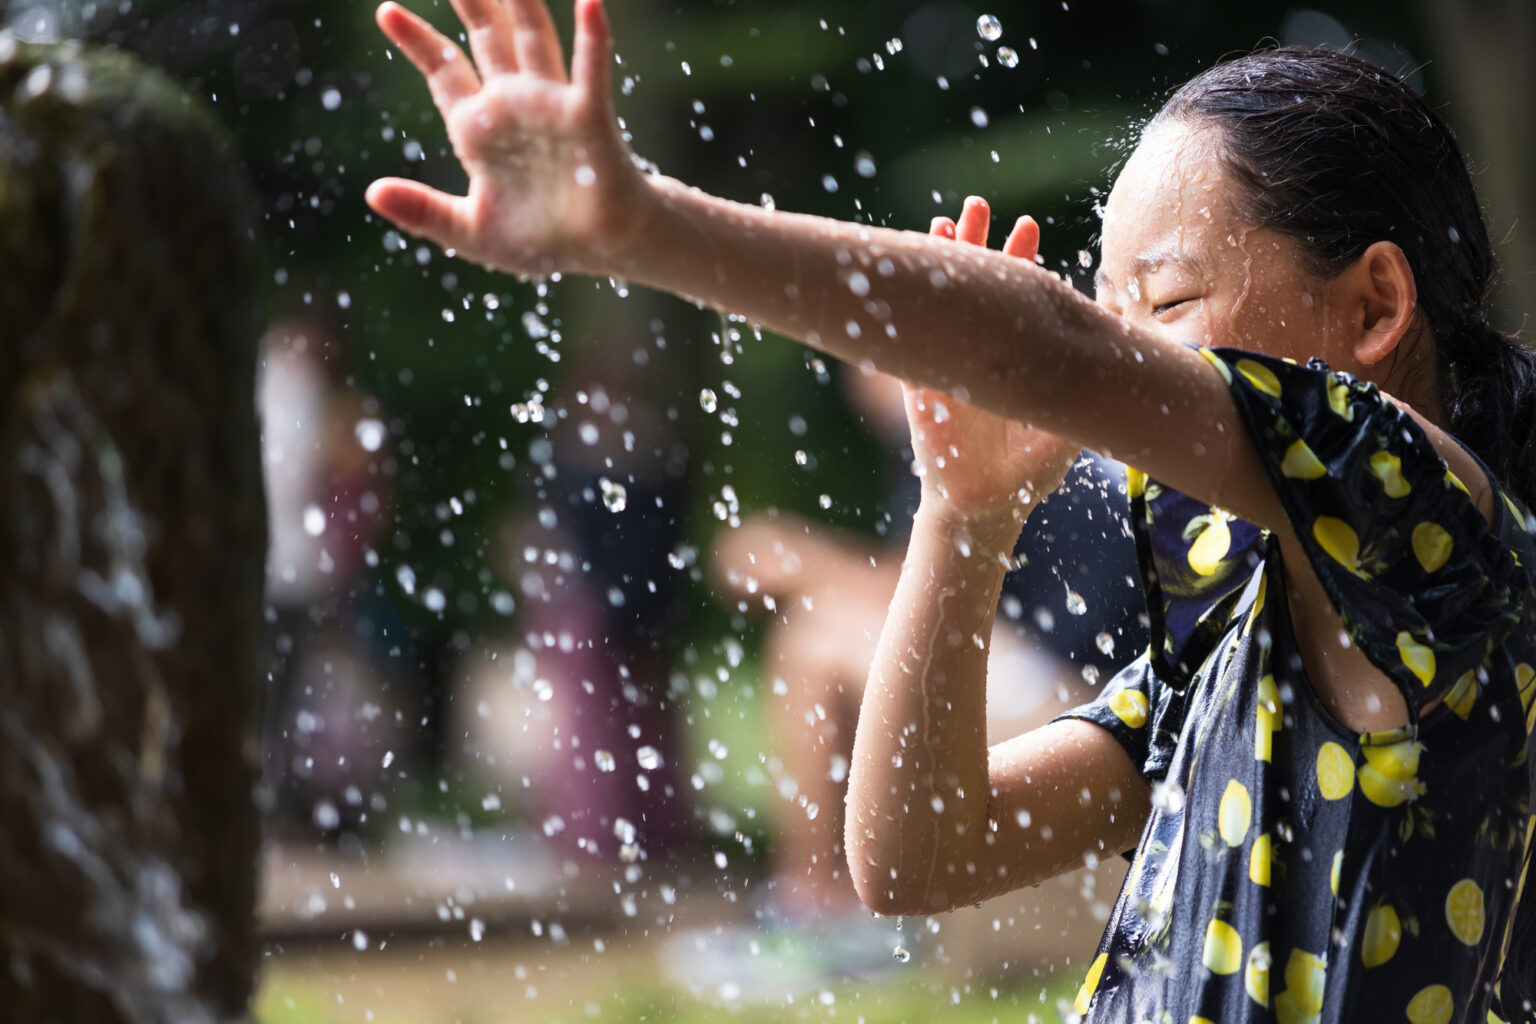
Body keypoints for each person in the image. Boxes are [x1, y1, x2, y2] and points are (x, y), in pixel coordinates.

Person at [364, 2, 1536, 1021]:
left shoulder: (1437, 542)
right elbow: (921, 854)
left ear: (1375, 304)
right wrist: (963, 516)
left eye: (1166, 301)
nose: (1130, 355)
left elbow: (1054, 349)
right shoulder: (1242, 622)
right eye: (1108, 302)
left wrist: (646, 228)